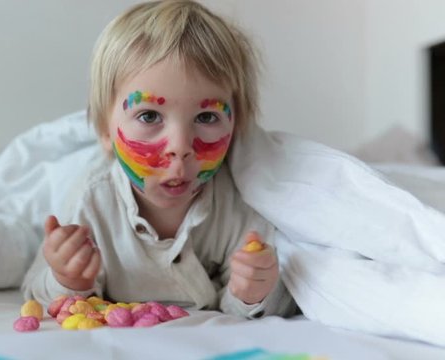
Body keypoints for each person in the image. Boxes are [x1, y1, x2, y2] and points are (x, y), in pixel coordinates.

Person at [21, 0, 296, 319]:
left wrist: (251, 292)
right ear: (104, 131)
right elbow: (35, 290)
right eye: (149, 115)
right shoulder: (90, 203)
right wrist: (67, 279)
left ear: (236, 127)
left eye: (206, 117)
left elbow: (272, 302)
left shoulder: (237, 206)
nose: (180, 146)